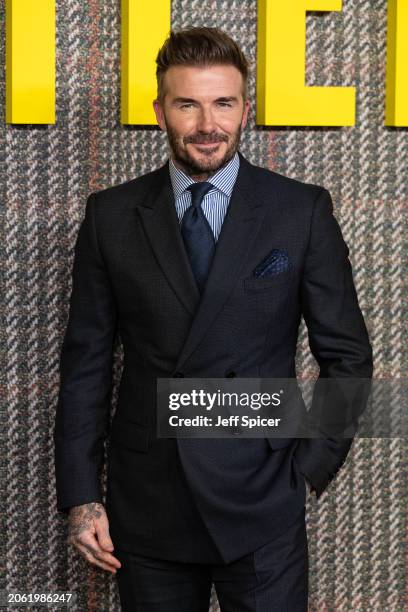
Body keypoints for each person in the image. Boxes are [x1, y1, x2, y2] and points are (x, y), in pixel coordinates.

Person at [54, 26, 373, 611]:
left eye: (224, 103)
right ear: (160, 111)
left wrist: (306, 468)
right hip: (148, 501)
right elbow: (86, 368)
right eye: (188, 104)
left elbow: (348, 356)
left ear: (245, 108)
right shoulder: (112, 215)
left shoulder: (300, 210)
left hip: (261, 499)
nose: (208, 124)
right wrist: (82, 497)